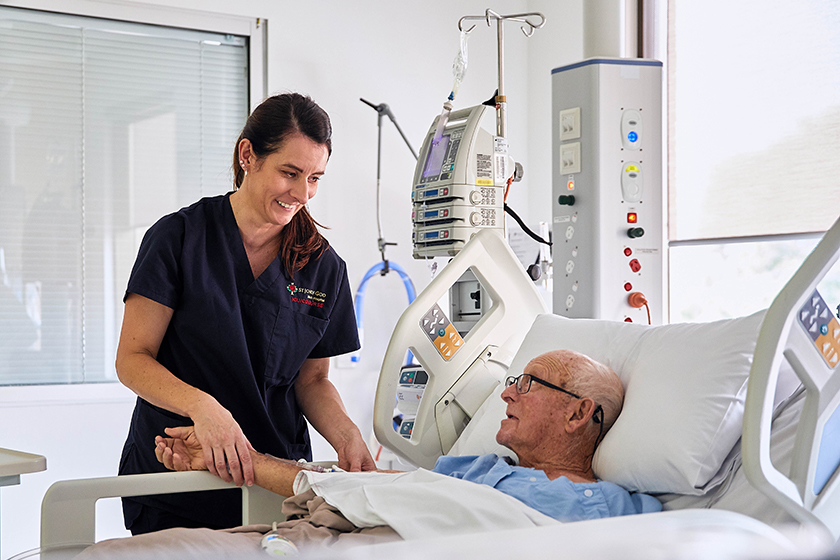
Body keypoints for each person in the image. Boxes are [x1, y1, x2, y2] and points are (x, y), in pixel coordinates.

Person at [86, 349, 661, 557]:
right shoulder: (478, 470)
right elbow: (381, 492)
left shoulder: (615, 508)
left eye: (529, 384)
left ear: (579, 413)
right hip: (317, 537)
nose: (507, 392)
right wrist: (224, 455)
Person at [115, 93, 375, 535]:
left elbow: (312, 381)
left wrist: (347, 434)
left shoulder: (322, 266)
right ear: (248, 155)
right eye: (289, 173)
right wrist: (204, 408)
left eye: (314, 178)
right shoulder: (178, 239)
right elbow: (133, 359)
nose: (302, 193)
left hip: (272, 479)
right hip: (177, 470)